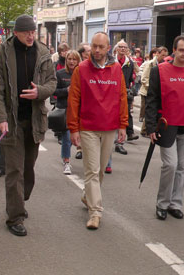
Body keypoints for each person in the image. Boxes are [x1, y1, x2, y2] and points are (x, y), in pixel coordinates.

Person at [0, 15, 57, 237]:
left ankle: (19, 200)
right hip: (12, 121)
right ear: (15, 32)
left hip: (35, 119)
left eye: (33, 32)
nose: (30, 36)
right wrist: (0, 118)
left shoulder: (43, 52)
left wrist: (40, 92)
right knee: (14, 170)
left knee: (28, 168)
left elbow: (52, 82)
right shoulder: (2, 53)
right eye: (26, 32)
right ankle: (15, 216)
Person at [66, 32, 128, 230]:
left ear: (108, 48)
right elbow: (74, 99)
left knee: (100, 170)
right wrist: (73, 128)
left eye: (101, 47)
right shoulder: (81, 69)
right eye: (94, 46)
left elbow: (122, 97)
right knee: (92, 170)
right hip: (88, 127)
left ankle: (87, 195)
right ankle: (95, 212)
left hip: (109, 126)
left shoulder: (116, 69)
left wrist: (123, 124)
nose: (97, 50)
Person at [145, 35, 184, 221]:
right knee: (170, 165)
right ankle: (162, 204)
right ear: (174, 50)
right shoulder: (159, 70)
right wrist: (151, 127)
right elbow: (152, 99)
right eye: (181, 50)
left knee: (181, 167)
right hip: (167, 126)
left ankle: (175, 204)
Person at [55, 50, 82, 174]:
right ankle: (66, 161)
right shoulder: (60, 74)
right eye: (69, 59)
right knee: (67, 137)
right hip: (65, 109)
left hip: (80, 110)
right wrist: (66, 90)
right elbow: (54, 91)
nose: (71, 61)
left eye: (74, 59)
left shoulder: (82, 73)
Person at [114, 39, 140, 153]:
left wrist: (132, 89)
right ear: (116, 49)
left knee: (124, 115)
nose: (123, 49)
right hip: (112, 93)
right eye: (121, 47)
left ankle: (120, 143)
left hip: (124, 93)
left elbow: (132, 78)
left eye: (125, 47)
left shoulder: (129, 62)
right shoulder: (111, 61)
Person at [139, 46, 168, 136]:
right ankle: (145, 130)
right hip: (146, 92)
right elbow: (144, 79)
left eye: (165, 55)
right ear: (157, 54)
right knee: (148, 111)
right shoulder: (150, 64)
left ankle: (146, 129)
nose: (164, 57)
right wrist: (153, 87)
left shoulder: (165, 65)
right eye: (162, 55)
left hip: (156, 93)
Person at [73, 43, 91, 160]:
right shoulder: (78, 66)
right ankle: (79, 148)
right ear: (83, 53)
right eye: (88, 51)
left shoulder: (93, 64)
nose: (91, 52)